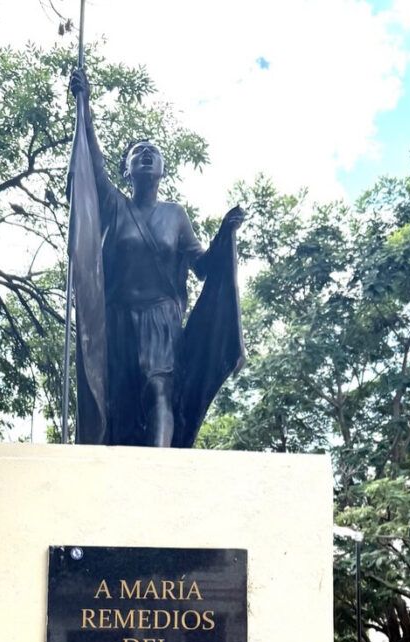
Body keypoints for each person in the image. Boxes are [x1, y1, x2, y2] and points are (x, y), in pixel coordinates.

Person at [68, 67, 245, 447]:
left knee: (159, 387)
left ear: (162, 169)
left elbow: (202, 267)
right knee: (122, 400)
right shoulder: (115, 206)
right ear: (127, 167)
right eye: (138, 152)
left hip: (161, 317)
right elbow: (92, 165)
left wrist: (224, 235)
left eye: (153, 153)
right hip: (118, 319)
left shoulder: (175, 215)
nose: (146, 155)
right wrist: (84, 106)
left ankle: (162, 466)